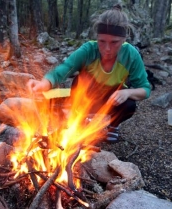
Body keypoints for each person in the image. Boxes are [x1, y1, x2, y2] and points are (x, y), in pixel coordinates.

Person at [27, 5, 151, 143]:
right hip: (86, 96)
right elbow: (64, 69)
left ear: (124, 39)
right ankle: (80, 119)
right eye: (102, 41)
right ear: (97, 38)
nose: (107, 49)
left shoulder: (131, 55)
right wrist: (44, 83)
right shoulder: (88, 50)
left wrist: (127, 93)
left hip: (111, 100)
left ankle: (113, 126)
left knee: (129, 105)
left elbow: (145, 89)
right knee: (67, 89)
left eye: (114, 42)